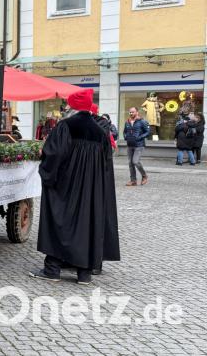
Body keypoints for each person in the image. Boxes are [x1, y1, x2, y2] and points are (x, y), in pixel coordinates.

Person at [30, 88, 120, 285]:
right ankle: (84, 274)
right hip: (91, 191)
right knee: (87, 225)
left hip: (67, 186)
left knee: (58, 220)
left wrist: (48, 175)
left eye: (68, 105)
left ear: (73, 107)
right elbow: (107, 164)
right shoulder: (100, 132)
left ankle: (52, 269)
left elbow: (53, 154)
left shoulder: (66, 126)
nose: (66, 108)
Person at [123, 107, 150, 186]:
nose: (131, 113)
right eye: (130, 112)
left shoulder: (142, 121)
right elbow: (124, 131)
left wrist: (140, 137)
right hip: (130, 145)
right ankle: (133, 181)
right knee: (130, 163)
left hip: (139, 145)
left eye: (133, 112)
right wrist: (125, 137)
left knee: (135, 161)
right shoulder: (127, 122)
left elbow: (148, 132)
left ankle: (144, 175)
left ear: (137, 112)